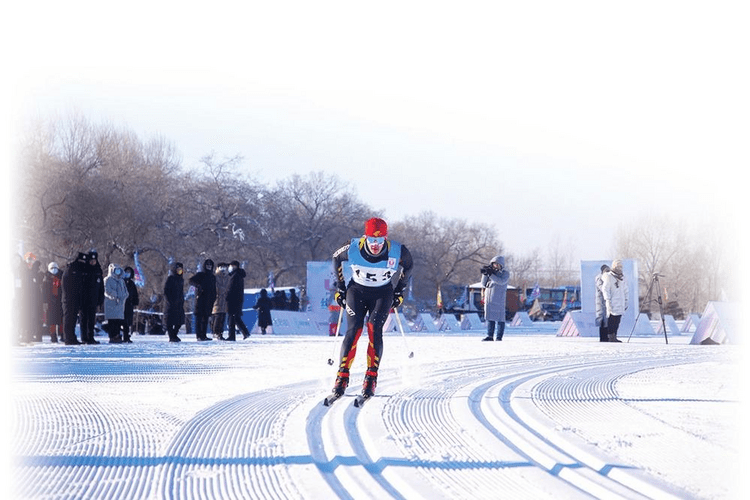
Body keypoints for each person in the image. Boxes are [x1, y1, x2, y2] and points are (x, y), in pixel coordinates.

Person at [329, 217, 413, 399]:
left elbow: (409, 265)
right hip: (356, 292)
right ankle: (342, 376)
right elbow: (336, 258)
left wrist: (399, 290)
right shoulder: (352, 247)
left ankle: (371, 377)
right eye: (372, 240)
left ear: (386, 238)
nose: (375, 245)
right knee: (354, 330)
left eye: (380, 240)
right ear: (365, 237)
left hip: (382, 294)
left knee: (374, 330)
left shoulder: (397, 251)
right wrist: (340, 288)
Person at [480, 255, 510, 341]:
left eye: (497, 264)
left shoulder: (505, 273)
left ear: (501, 264)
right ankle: (490, 335)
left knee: (500, 318)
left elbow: (500, 281)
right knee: (490, 317)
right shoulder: (491, 273)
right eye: (494, 264)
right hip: (489, 298)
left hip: (499, 298)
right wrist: (485, 274)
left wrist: (491, 275)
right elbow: (483, 284)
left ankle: (499, 337)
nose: (495, 266)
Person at [61, 252, 88, 345]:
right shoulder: (70, 269)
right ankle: (68, 338)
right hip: (69, 299)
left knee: (73, 319)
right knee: (69, 318)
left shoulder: (81, 270)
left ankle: (72, 337)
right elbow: (65, 285)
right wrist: (69, 296)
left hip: (77, 299)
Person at [188, 259, 217, 341]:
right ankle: (199, 336)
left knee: (206, 319)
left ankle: (204, 335)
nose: (209, 266)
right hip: (200, 299)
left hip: (209, 300)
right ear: (205, 266)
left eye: (210, 265)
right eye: (207, 265)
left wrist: (214, 298)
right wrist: (198, 286)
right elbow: (191, 281)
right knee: (199, 319)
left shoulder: (212, 277)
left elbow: (214, 289)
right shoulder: (201, 275)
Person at [601, 259, 628, 343]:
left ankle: (615, 335)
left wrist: (626, 300)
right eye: (618, 266)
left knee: (617, 320)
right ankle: (610, 336)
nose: (619, 268)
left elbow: (625, 289)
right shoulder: (609, 277)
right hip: (612, 301)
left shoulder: (622, 277)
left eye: (621, 266)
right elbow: (605, 289)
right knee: (612, 320)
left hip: (620, 302)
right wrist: (607, 300)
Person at [81, 250, 104, 344]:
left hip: (94, 299)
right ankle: (84, 337)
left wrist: (100, 300)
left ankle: (91, 337)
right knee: (83, 319)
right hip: (84, 299)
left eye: (94, 260)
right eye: (91, 260)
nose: (93, 262)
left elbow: (101, 287)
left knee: (91, 319)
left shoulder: (98, 270)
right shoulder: (84, 270)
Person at [103, 264, 129, 343]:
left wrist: (124, 296)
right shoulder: (107, 279)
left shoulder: (121, 280)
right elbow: (107, 291)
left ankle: (117, 335)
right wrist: (115, 295)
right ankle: (112, 336)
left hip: (120, 305)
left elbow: (125, 291)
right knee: (112, 322)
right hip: (111, 304)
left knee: (118, 322)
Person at [225, 260, 250, 341]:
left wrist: (227, 296)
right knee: (236, 318)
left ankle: (232, 335)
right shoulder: (238, 275)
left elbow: (231, 288)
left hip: (233, 300)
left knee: (232, 318)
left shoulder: (235, 276)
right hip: (238, 299)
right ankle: (245, 332)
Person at [42, 262, 64, 343]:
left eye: (55, 268)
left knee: (61, 320)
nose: (53, 270)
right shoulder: (46, 278)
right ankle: (53, 336)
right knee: (51, 321)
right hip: (50, 302)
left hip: (60, 301)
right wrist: (45, 301)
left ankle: (62, 335)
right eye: (52, 268)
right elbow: (44, 291)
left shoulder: (61, 277)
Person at [163, 262, 185, 342]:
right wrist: (170, 301)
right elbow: (166, 291)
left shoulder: (181, 279)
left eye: (181, 269)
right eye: (178, 269)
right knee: (170, 322)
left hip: (179, 304)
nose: (179, 270)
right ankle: (171, 336)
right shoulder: (170, 278)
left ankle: (174, 334)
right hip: (170, 304)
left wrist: (181, 300)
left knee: (179, 322)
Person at [211, 262, 230, 340]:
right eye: (221, 267)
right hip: (217, 300)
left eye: (224, 267)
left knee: (222, 317)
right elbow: (216, 287)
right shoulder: (215, 277)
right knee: (217, 317)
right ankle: (215, 332)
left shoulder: (227, 277)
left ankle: (220, 333)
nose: (223, 269)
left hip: (225, 300)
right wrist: (223, 290)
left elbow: (229, 287)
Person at [122, 266, 139, 343]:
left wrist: (135, 302)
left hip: (129, 304)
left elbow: (135, 294)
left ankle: (126, 336)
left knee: (128, 321)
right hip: (122, 304)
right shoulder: (121, 282)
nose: (127, 274)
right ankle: (119, 335)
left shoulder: (132, 283)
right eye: (126, 272)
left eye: (129, 273)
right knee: (122, 321)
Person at [594, 264, 610, 342]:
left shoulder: (608, 278)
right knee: (602, 320)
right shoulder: (599, 278)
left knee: (607, 320)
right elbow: (602, 288)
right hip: (601, 302)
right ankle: (603, 337)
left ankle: (607, 336)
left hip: (606, 301)